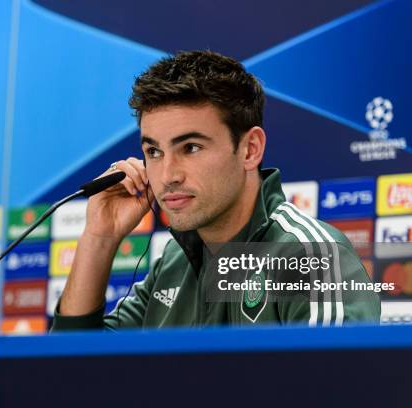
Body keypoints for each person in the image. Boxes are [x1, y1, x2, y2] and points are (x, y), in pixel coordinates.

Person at [52, 50, 380, 330]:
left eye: (191, 147)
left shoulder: (309, 256)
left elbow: (335, 386)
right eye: (153, 151)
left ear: (250, 149)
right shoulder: (174, 260)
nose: (167, 175)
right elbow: (73, 375)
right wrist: (100, 238)